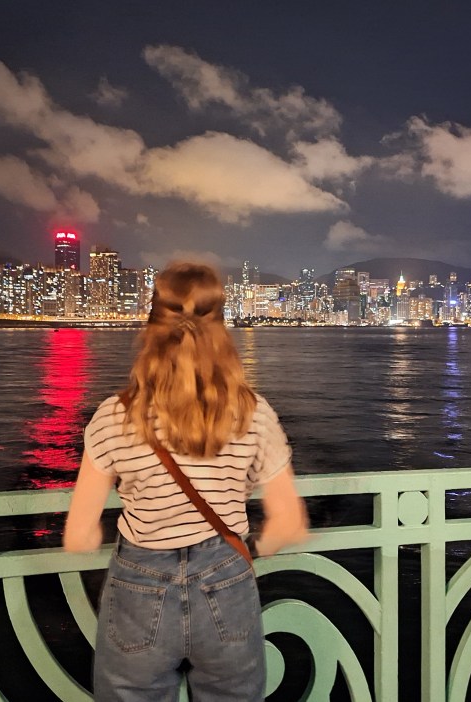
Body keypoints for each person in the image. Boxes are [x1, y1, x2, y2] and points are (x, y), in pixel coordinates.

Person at [64, 262, 309, 702]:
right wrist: (248, 552)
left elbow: (80, 535)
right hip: (226, 580)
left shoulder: (114, 416)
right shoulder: (254, 414)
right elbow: (288, 523)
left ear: (152, 328)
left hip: (139, 583)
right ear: (221, 329)